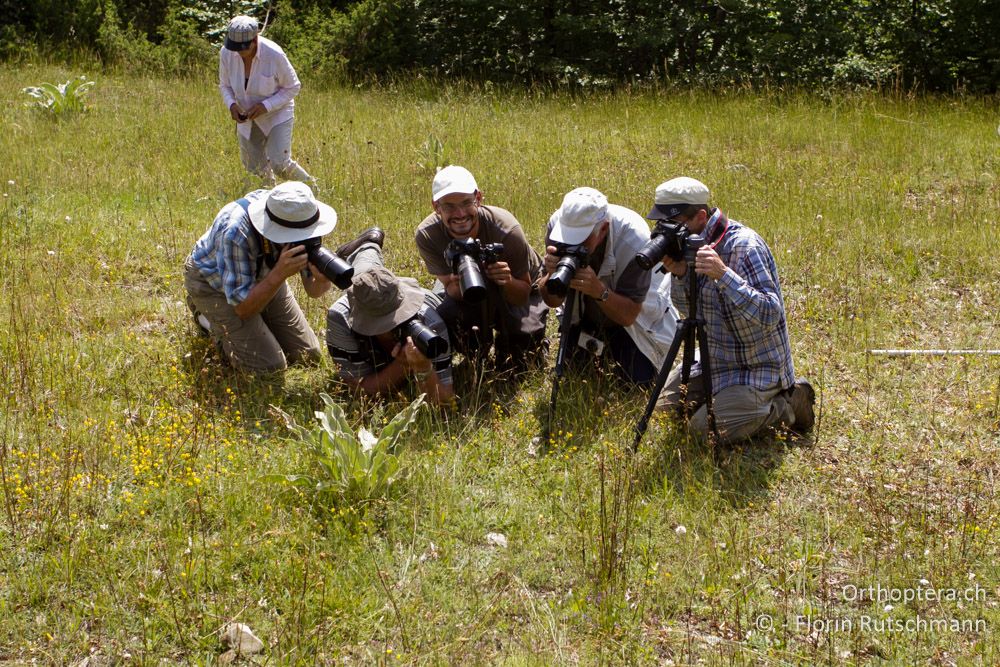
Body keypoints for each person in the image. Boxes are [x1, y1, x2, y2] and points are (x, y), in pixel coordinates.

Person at [650, 176, 815, 442]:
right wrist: (681, 275)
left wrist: (723, 275)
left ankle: (788, 403)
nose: (666, 230)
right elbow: (686, 311)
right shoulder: (687, 247)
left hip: (755, 368)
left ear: (700, 217)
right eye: (660, 223)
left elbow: (770, 314)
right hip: (713, 361)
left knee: (703, 431)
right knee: (663, 410)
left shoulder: (744, 247)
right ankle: (729, 402)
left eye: (674, 222)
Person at [185, 180, 357, 373]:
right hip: (214, 286)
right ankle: (206, 319)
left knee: (308, 356)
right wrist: (279, 274)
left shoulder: (300, 216)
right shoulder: (235, 232)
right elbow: (243, 309)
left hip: (267, 275)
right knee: (269, 367)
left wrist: (323, 279)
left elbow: (313, 291)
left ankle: (260, 324)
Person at [538, 187, 678, 387]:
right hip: (584, 316)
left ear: (603, 229)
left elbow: (629, 315)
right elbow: (552, 301)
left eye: (581, 238)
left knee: (636, 382)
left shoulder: (634, 240)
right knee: (573, 373)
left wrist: (598, 290)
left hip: (633, 324)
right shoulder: (558, 227)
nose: (572, 244)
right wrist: (552, 276)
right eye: (568, 237)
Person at [414, 165, 548, 370]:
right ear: (436, 207)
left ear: (478, 198)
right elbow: (450, 288)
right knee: (451, 323)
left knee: (522, 356)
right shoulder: (428, 234)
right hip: (466, 288)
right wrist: (460, 283)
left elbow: (522, 295)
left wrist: (505, 280)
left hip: (520, 283)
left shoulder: (506, 230)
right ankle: (478, 347)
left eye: (466, 203)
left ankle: (526, 342)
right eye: (449, 206)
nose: (460, 214)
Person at [326, 255, 456, 406]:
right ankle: (365, 246)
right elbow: (359, 390)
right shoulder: (341, 318)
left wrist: (423, 368)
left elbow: (444, 402)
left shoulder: (431, 324)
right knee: (363, 271)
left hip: (433, 299)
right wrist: (403, 365)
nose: (396, 326)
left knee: (451, 282)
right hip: (365, 294)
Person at [218, 15, 312, 184]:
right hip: (246, 117)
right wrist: (231, 105)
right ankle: (267, 204)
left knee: (279, 163)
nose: (239, 53)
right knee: (255, 170)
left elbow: (293, 86)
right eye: (235, 48)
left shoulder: (274, 54)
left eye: (243, 48)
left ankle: (312, 190)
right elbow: (224, 85)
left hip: (277, 114)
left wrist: (266, 106)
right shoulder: (226, 53)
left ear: (255, 40)